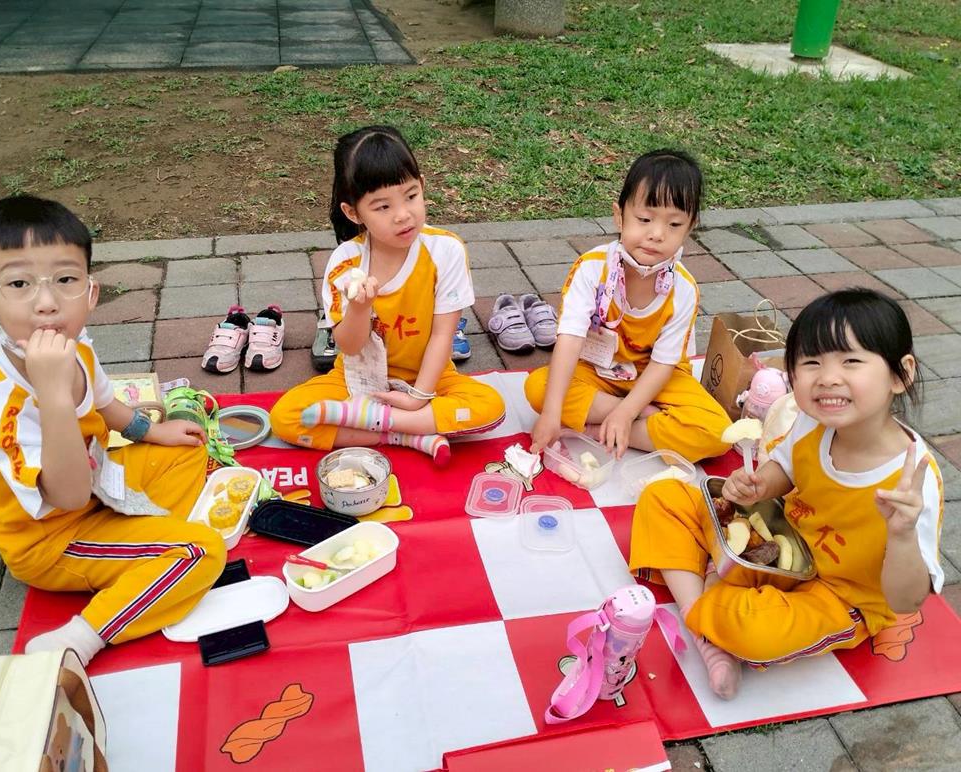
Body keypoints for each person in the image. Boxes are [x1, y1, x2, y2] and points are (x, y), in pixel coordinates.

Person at [629, 289, 944, 700]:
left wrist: (902, 535)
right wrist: (761, 484)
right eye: (811, 362)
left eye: (851, 361)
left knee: (752, 628)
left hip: (837, 595)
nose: (827, 377)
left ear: (900, 375)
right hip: (780, 543)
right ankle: (710, 625)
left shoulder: (914, 479)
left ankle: (709, 600)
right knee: (663, 497)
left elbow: (906, 600)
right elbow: (786, 467)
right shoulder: (813, 421)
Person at [0, 195, 226, 665]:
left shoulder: (75, 346)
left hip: (99, 485)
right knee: (200, 551)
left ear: (91, 292)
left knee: (185, 449)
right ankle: (81, 637)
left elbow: (105, 404)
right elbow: (67, 496)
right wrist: (53, 394)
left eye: (65, 280)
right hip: (47, 537)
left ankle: (148, 549)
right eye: (18, 283)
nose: (47, 303)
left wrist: (150, 432)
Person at [270, 126, 505, 465]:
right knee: (287, 417)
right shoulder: (346, 263)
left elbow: (443, 335)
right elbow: (349, 347)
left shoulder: (445, 250)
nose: (403, 215)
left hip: (430, 378)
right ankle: (405, 434)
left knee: (490, 407)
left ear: (422, 185)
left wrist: (419, 396)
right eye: (382, 206)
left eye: (411, 196)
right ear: (353, 213)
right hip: (357, 378)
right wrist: (359, 308)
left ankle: (377, 422)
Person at [526, 149, 730, 462]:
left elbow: (663, 364)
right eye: (644, 219)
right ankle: (649, 420)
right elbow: (570, 339)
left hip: (655, 377)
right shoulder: (592, 268)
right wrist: (552, 414)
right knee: (538, 388)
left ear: (690, 227)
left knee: (718, 433)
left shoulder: (684, 288)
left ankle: (602, 428)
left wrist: (626, 412)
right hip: (597, 369)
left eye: (674, 224)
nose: (657, 234)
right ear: (619, 216)